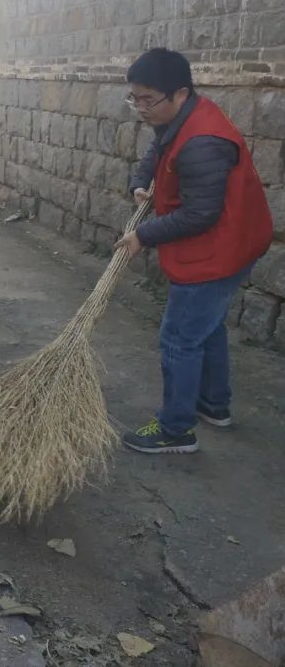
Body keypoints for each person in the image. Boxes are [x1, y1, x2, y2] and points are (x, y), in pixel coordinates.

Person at [115, 48, 272, 455]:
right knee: (207, 325)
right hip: (231, 241)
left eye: (148, 99)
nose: (141, 108)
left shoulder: (203, 141)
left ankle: (176, 428)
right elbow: (157, 150)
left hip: (219, 248)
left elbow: (200, 215)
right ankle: (212, 404)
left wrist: (143, 236)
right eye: (135, 98)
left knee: (180, 338)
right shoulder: (179, 118)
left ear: (179, 93)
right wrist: (140, 181)